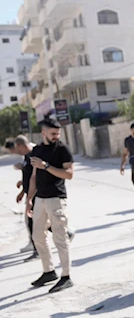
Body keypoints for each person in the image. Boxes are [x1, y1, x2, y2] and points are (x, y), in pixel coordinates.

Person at [26, 119, 76, 293]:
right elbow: (33, 176)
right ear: (44, 133)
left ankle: (66, 276)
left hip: (56, 198)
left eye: (58, 134)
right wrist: (29, 199)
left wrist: (46, 166)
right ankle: (49, 271)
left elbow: (69, 174)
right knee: (37, 235)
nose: (56, 137)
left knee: (60, 238)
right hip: (40, 198)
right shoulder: (37, 150)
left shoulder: (63, 149)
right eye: (53, 134)